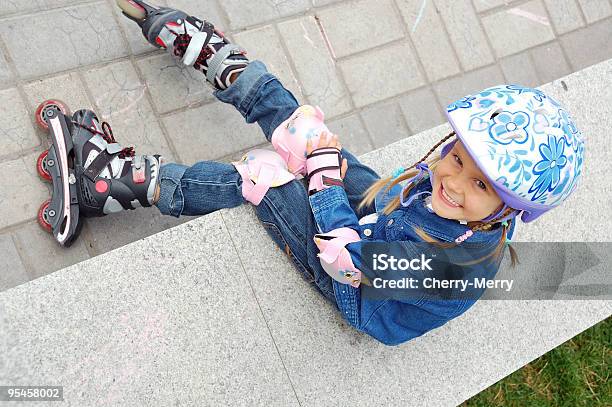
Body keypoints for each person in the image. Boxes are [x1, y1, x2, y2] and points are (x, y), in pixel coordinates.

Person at [68, 1, 584, 345]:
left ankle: (118, 185)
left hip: (358, 282)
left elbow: (344, 259)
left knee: (266, 177)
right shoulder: (463, 200)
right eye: (456, 159)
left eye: (479, 185)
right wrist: (319, 159)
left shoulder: (446, 266)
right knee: (306, 134)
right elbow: (414, 194)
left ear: (511, 208)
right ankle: (228, 66)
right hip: (386, 223)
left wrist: (323, 183)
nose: (451, 181)